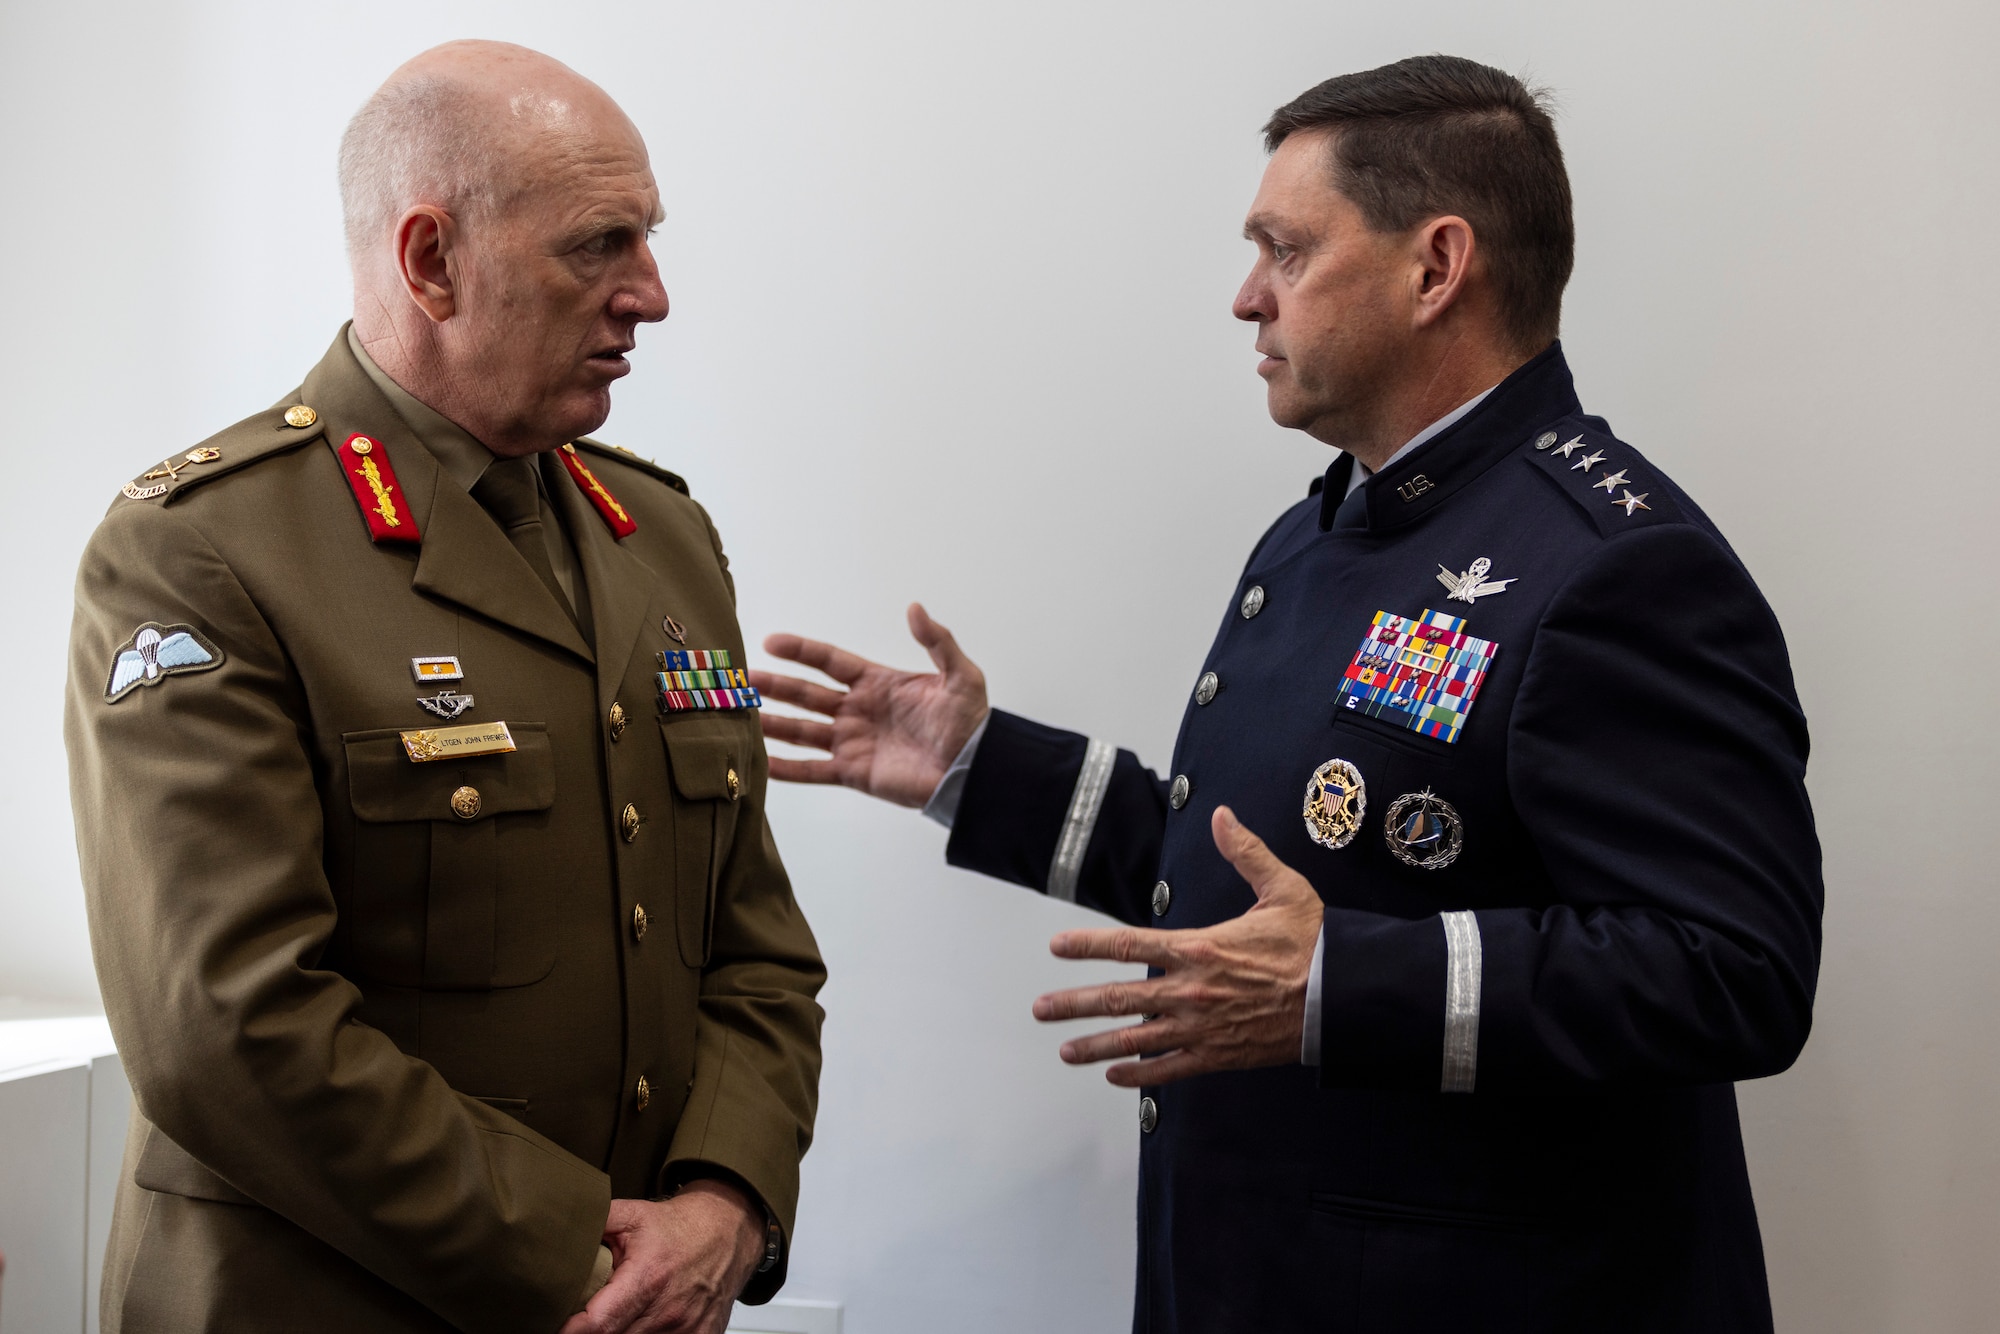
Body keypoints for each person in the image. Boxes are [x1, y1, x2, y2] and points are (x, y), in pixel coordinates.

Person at [754, 55, 1821, 1333]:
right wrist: (980, 768)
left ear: (1435, 268)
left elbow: (1732, 968)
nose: (1245, 297)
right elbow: (1269, 874)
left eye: (1285, 249)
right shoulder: (1320, 535)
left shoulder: (1613, 565)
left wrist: (1332, 987)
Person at [65, 41, 823, 1334]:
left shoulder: (665, 538)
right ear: (431, 260)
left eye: (647, 240)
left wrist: (727, 1201)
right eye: (600, 245)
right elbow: (231, 1028)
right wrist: (588, 1262)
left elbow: (755, 945)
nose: (651, 293)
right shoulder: (203, 550)